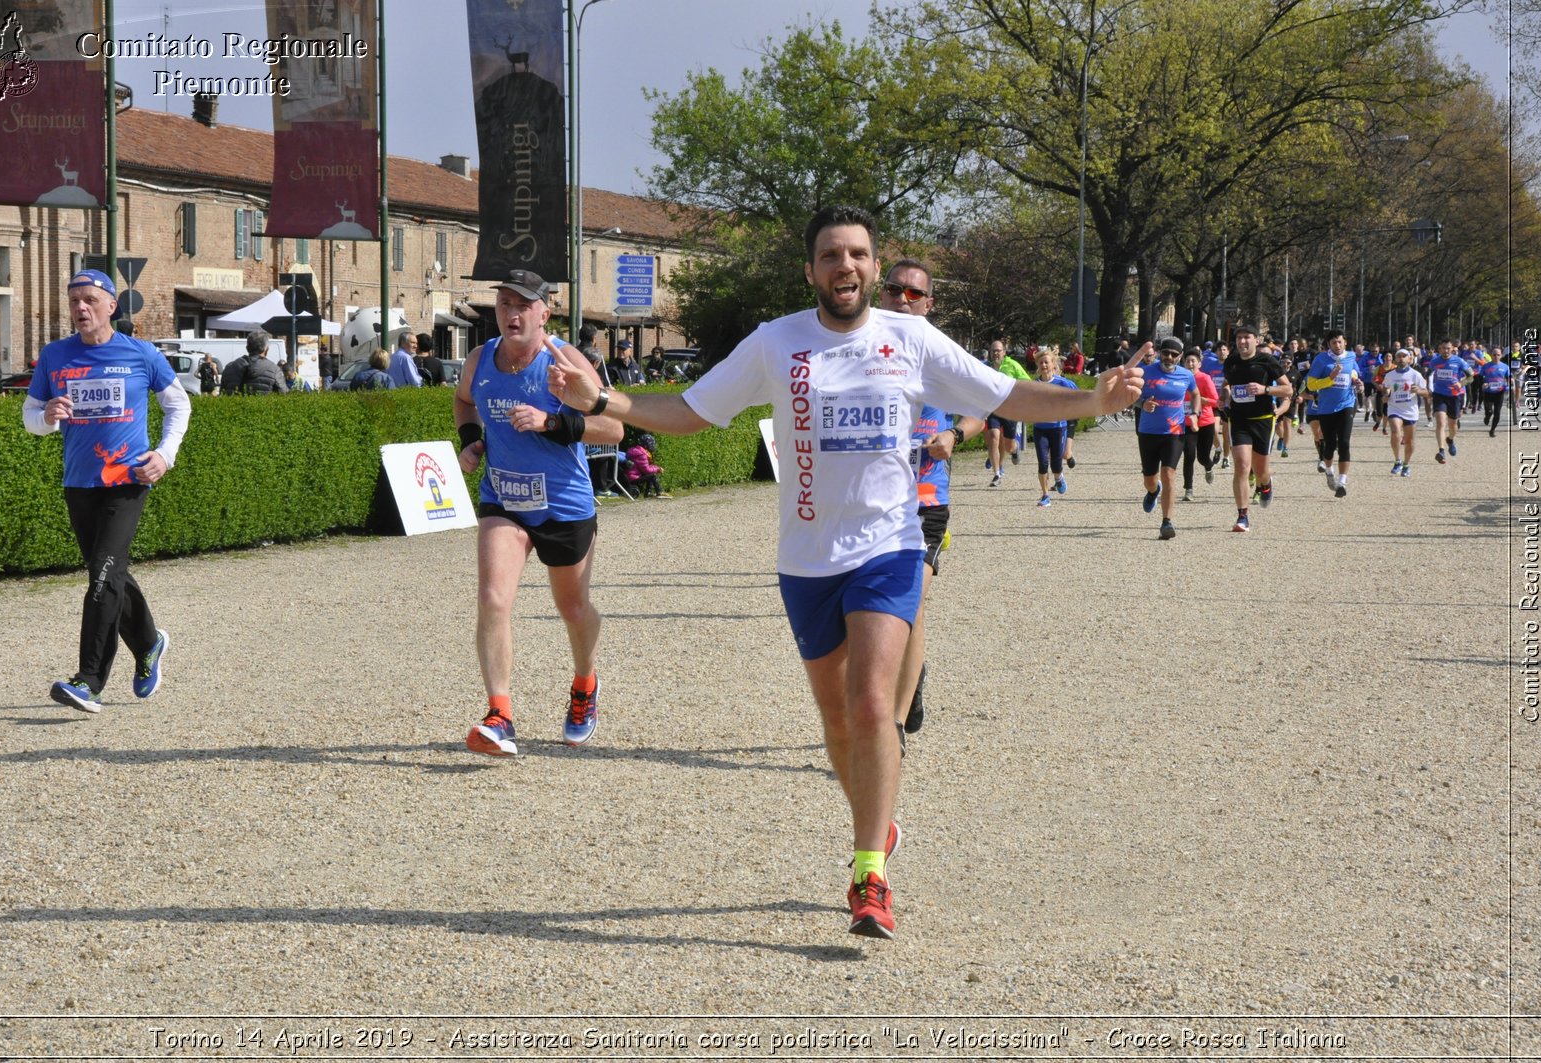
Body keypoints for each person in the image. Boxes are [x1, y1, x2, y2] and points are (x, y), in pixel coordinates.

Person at [546, 205, 1146, 940]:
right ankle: (877, 821)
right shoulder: (777, 342)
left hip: (889, 545)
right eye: (831, 255)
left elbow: (1002, 393)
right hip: (805, 563)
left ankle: (869, 873)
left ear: (874, 265)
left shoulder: (911, 337)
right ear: (811, 270)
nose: (846, 267)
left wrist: (1090, 399)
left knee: (871, 705)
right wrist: (604, 400)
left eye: (858, 254)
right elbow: (696, 410)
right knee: (835, 722)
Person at [455, 269, 623, 759]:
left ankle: (585, 685)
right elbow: (465, 402)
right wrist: (473, 441)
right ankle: (499, 713)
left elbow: (612, 430)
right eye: (504, 303)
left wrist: (551, 420)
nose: (511, 313)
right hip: (503, 499)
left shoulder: (564, 360)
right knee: (492, 597)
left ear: (544, 312)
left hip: (563, 504)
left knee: (572, 609)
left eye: (522, 304)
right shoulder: (479, 359)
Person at [22, 270, 190, 714]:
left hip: (126, 482)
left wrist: (164, 455)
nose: (80, 308)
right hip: (79, 483)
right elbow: (31, 419)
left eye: (90, 300)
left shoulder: (141, 354)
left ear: (111, 306)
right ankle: (150, 643)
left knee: (102, 573)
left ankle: (89, 680)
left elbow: (178, 405)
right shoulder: (55, 356)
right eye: (74, 300)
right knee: (108, 575)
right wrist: (49, 416)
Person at [878, 258, 986, 746]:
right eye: (895, 290)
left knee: (911, 602)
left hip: (926, 502)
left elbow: (983, 409)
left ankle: (894, 723)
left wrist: (954, 434)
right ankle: (909, 679)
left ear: (929, 303)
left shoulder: (941, 355)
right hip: (873, 502)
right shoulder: (859, 349)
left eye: (914, 294)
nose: (903, 299)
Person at [1223, 324, 1291, 532]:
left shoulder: (1267, 361)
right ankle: (1242, 516)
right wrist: (1224, 396)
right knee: (1242, 466)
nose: (1242, 342)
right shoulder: (1231, 360)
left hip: (1262, 419)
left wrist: (1265, 389)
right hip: (1239, 419)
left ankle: (1266, 484)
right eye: (1239, 338)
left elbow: (1288, 389)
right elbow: (1227, 384)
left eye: (1247, 338)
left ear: (1256, 340)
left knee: (1261, 469)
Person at [1136, 337, 1198, 540]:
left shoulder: (1187, 375)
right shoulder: (1146, 372)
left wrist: (1195, 413)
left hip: (1174, 433)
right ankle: (1153, 492)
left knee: (1169, 474)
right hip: (1148, 432)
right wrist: (1142, 403)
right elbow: (1129, 395)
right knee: (1150, 479)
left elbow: (1195, 393)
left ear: (1180, 357)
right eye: (1165, 353)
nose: (1169, 357)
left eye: (1173, 354)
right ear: (1159, 353)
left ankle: (1166, 523)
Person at [1304, 330, 1360, 497]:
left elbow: (1354, 372)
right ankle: (1329, 472)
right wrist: (1330, 378)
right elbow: (1311, 385)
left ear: (1345, 342)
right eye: (1334, 342)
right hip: (1326, 408)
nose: (1337, 345)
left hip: (1347, 404)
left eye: (1340, 342)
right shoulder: (1321, 359)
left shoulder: (1351, 356)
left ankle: (1342, 482)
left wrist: (1357, 380)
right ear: (1329, 344)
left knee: (1344, 442)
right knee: (1330, 446)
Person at [1031, 350, 1076, 506]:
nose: (1044, 365)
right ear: (1037, 365)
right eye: (1041, 362)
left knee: (1056, 464)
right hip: (1040, 429)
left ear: (1053, 364)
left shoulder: (1063, 383)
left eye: (1046, 362)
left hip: (1058, 428)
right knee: (1042, 462)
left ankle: (1058, 477)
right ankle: (1045, 496)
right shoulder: (1034, 386)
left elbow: (1079, 396)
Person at [983, 340, 1029, 484]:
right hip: (993, 408)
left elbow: (1027, 382)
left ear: (1004, 352)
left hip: (1010, 409)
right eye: (993, 351)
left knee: (1008, 445)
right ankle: (997, 474)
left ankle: (1015, 450)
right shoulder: (986, 367)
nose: (996, 353)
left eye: (998, 350)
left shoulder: (1012, 365)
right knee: (993, 437)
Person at [1379, 348, 1427, 476]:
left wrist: (1419, 391)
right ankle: (1397, 460)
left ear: (1409, 359)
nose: (1401, 359)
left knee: (1409, 441)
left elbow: (1427, 392)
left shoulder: (1415, 374)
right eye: (1399, 356)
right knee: (1395, 431)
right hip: (1394, 408)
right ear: (1395, 359)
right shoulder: (1389, 375)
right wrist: (1385, 395)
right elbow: (1385, 389)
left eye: (1404, 356)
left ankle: (1406, 464)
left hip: (1410, 410)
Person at [1180, 348, 1219, 502]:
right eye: (1187, 361)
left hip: (1205, 422)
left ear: (1199, 364)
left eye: (1193, 361)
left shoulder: (1204, 378)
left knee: (1202, 457)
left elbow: (1215, 401)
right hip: (1187, 422)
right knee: (1189, 455)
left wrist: (1198, 399)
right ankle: (1188, 489)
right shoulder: (1180, 378)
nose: (1190, 364)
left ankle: (1208, 466)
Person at [1426, 339, 1471, 462]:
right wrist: (1429, 388)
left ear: (1452, 348)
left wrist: (1461, 383)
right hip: (1439, 394)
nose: (1445, 351)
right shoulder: (1434, 361)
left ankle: (1450, 439)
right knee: (1440, 422)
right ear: (1439, 349)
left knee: (1453, 424)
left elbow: (1471, 376)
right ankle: (1441, 451)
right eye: (1443, 348)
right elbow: (1428, 375)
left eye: (1448, 348)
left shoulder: (1459, 361)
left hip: (1454, 395)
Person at [220, 330, 288, 394]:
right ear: (266, 350)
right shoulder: (275, 370)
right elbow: (283, 395)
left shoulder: (229, 368)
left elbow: (222, 395)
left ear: (247, 348)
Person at [622, 433, 668, 497]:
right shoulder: (642, 454)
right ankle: (660, 492)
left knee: (650, 474)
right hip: (633, 478)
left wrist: (656, 467)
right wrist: (657, 469)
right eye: (652, 444)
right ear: (647, 445)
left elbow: (645, 467)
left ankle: (648, 493)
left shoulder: (636, 451)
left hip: (630, 476)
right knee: (652, 475)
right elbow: (646, 470)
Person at [1479, 350, 1512, 435]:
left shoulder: (1505, 367)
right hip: (1488, 392)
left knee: (1497, 413)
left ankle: (1492, 430)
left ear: (1501, 356)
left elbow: (1509, 378)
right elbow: (1480, 377)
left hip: (1499, 392)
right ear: (1491, 355)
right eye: (1494, 355)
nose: (1496, 356)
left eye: (1498, 355)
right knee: (1489, 411)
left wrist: (1509, 384)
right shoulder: (1486, 366)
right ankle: (1487, 417)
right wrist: (1483, 383)